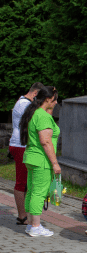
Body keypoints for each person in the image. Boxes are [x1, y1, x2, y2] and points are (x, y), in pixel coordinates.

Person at [20, 86, 60, 237]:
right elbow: (46, 141)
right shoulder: (43, 116)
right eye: (55, 99)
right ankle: (36, 226)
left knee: (31, 191)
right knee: (39, 193)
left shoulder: (35, 113)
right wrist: (55, 163)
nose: (56, 102)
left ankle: (31, 224)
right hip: (42, 160)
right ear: (48, 100)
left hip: (32, 157)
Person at [9, 82, 44, 225]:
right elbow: (34, 122)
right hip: (20, 145)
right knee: (22, 182)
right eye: (40, 99)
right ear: (35, 94)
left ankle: (25, 214)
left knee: (26, 182)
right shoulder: (24, 104)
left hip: (20, 144)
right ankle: (22, 216)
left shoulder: (21, 101)